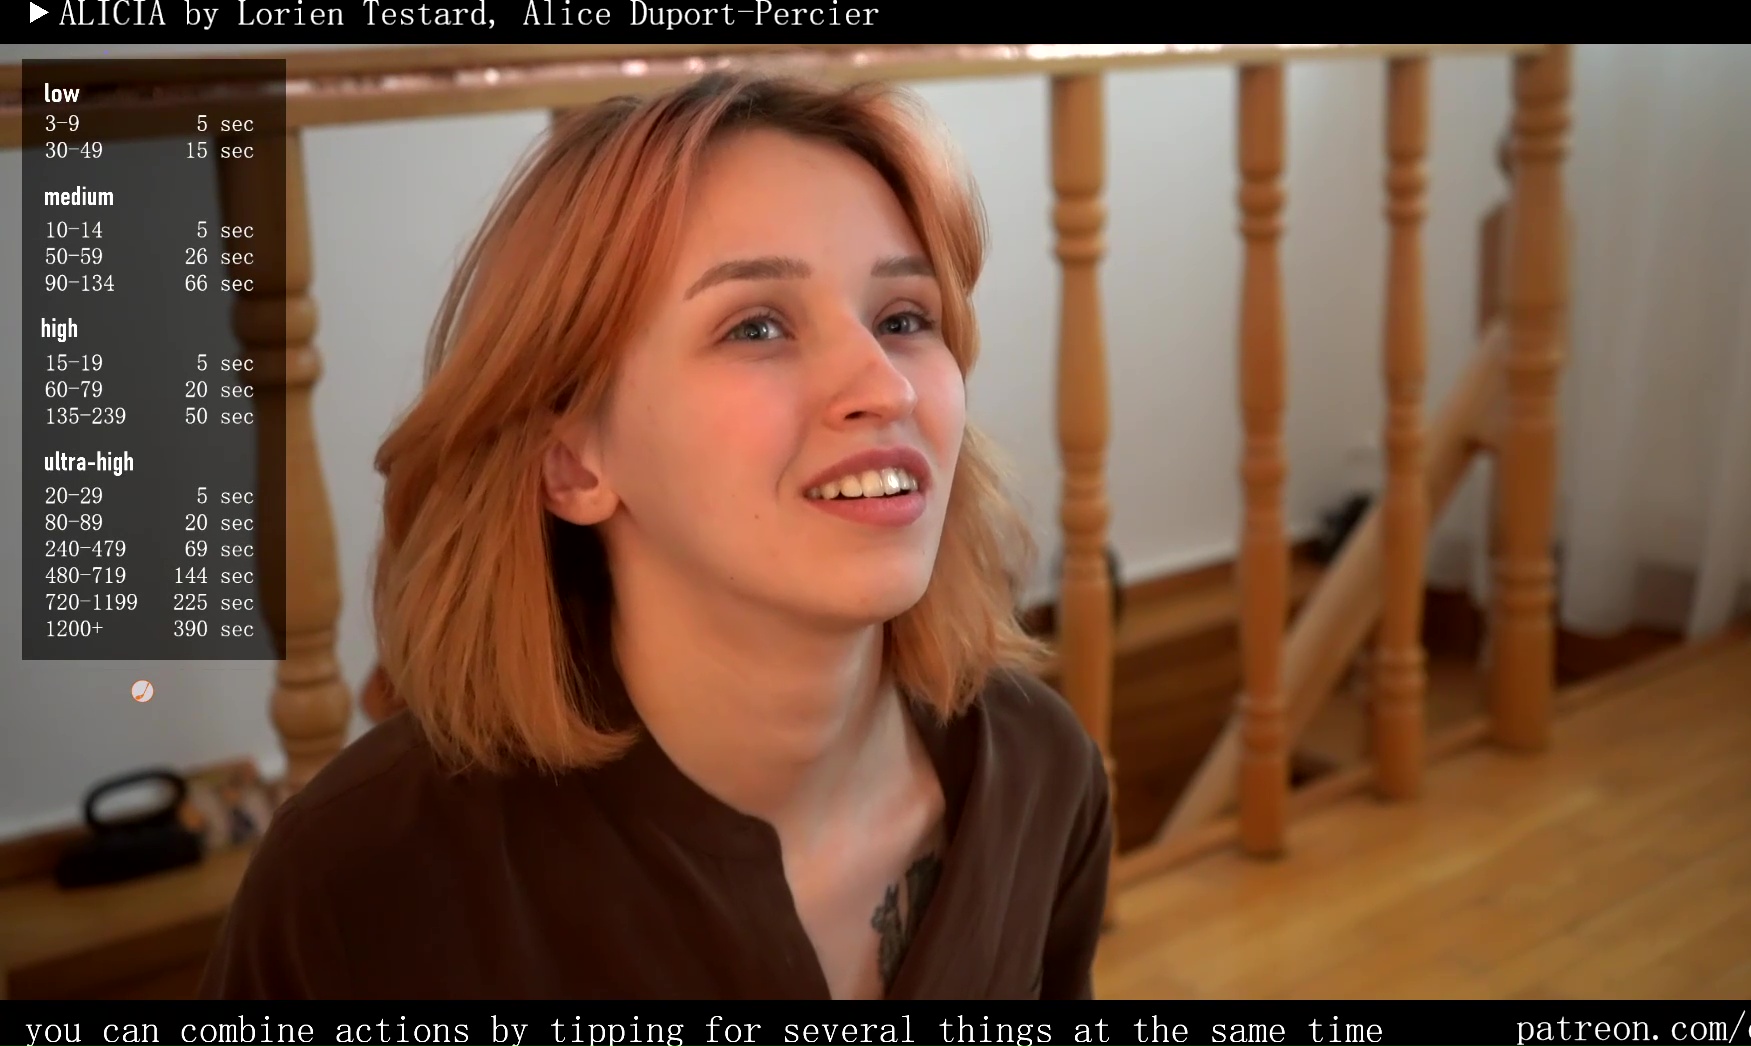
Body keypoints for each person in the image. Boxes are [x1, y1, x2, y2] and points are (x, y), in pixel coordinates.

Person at [198, 70, 1113, 1001]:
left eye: (904, 318)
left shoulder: (1044, 773)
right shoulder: (354, 889)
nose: (887, 385)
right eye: (757, 327)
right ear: (572, 464)